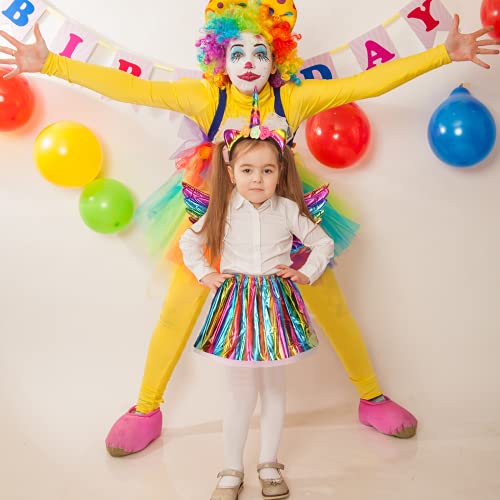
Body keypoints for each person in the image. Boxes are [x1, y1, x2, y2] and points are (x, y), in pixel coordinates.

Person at [1, 0, 498, 457]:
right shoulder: (204, 98)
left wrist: (442, 55)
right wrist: (51, 64)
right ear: (220, 57)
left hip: (284, 214)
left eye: (260, 51)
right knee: (179, 309)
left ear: (275, 59)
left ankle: (371, 397)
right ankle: (146, 408)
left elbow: (367, 83)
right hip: (214, 217)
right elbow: (135, 87)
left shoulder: (295, 100)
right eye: (236, 51)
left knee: (331, 302)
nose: (248, 61)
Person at [178, 94, 335, 500]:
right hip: (235, 306)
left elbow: (323, 244)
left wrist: (305, 272)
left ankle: (269, 463)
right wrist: (206, 274)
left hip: (277, 306)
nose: (257, 179)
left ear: (280, 171)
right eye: (247, 169)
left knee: (275, 389)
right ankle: (231, 469)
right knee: (239, 392)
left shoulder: (286, 209)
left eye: (267, 170)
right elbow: (188, 245)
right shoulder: (222, 208)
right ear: (230, 172)